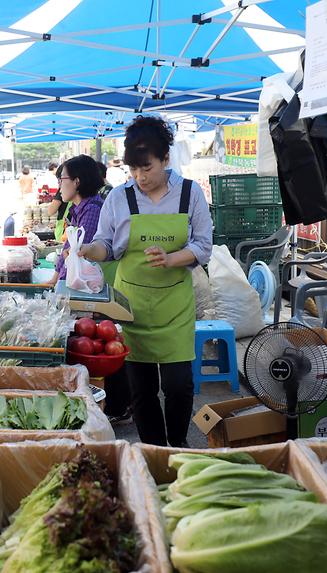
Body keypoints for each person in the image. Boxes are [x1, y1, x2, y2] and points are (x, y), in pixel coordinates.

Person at [79, 115, 213, 447]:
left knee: (179, 384)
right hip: (130, 307)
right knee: (141, 389)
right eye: (133, 169)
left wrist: (170, 259)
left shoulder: (189, 193)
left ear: (166, 159)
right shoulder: (119, 197)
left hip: (175, 306)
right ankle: (153, 450)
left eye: (147, 168)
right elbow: (107, 245)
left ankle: (178, 445)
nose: (140, 177)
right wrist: (88, 251)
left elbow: (203, 246)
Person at [46, 155, 105, 286]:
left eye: (61, 179)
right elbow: (68, 246)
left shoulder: (92, 209)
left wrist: (59, 285)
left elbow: (76, 255)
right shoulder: (78, 208)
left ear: (76, 182)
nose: (59, 186)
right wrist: (54, 279)